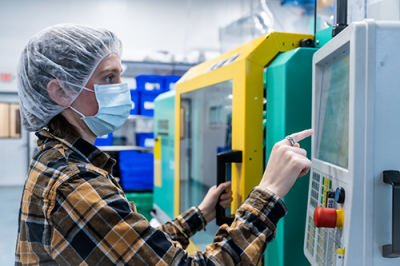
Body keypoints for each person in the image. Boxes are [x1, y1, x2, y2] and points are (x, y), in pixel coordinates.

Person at [15, 24, 313, 266]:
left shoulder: (58, 158)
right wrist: (269, 191)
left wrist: (202, 214)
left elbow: (136, 247)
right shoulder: (75, 185)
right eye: (109, 77)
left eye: (120, 75)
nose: (122, 88)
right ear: (60, 91)